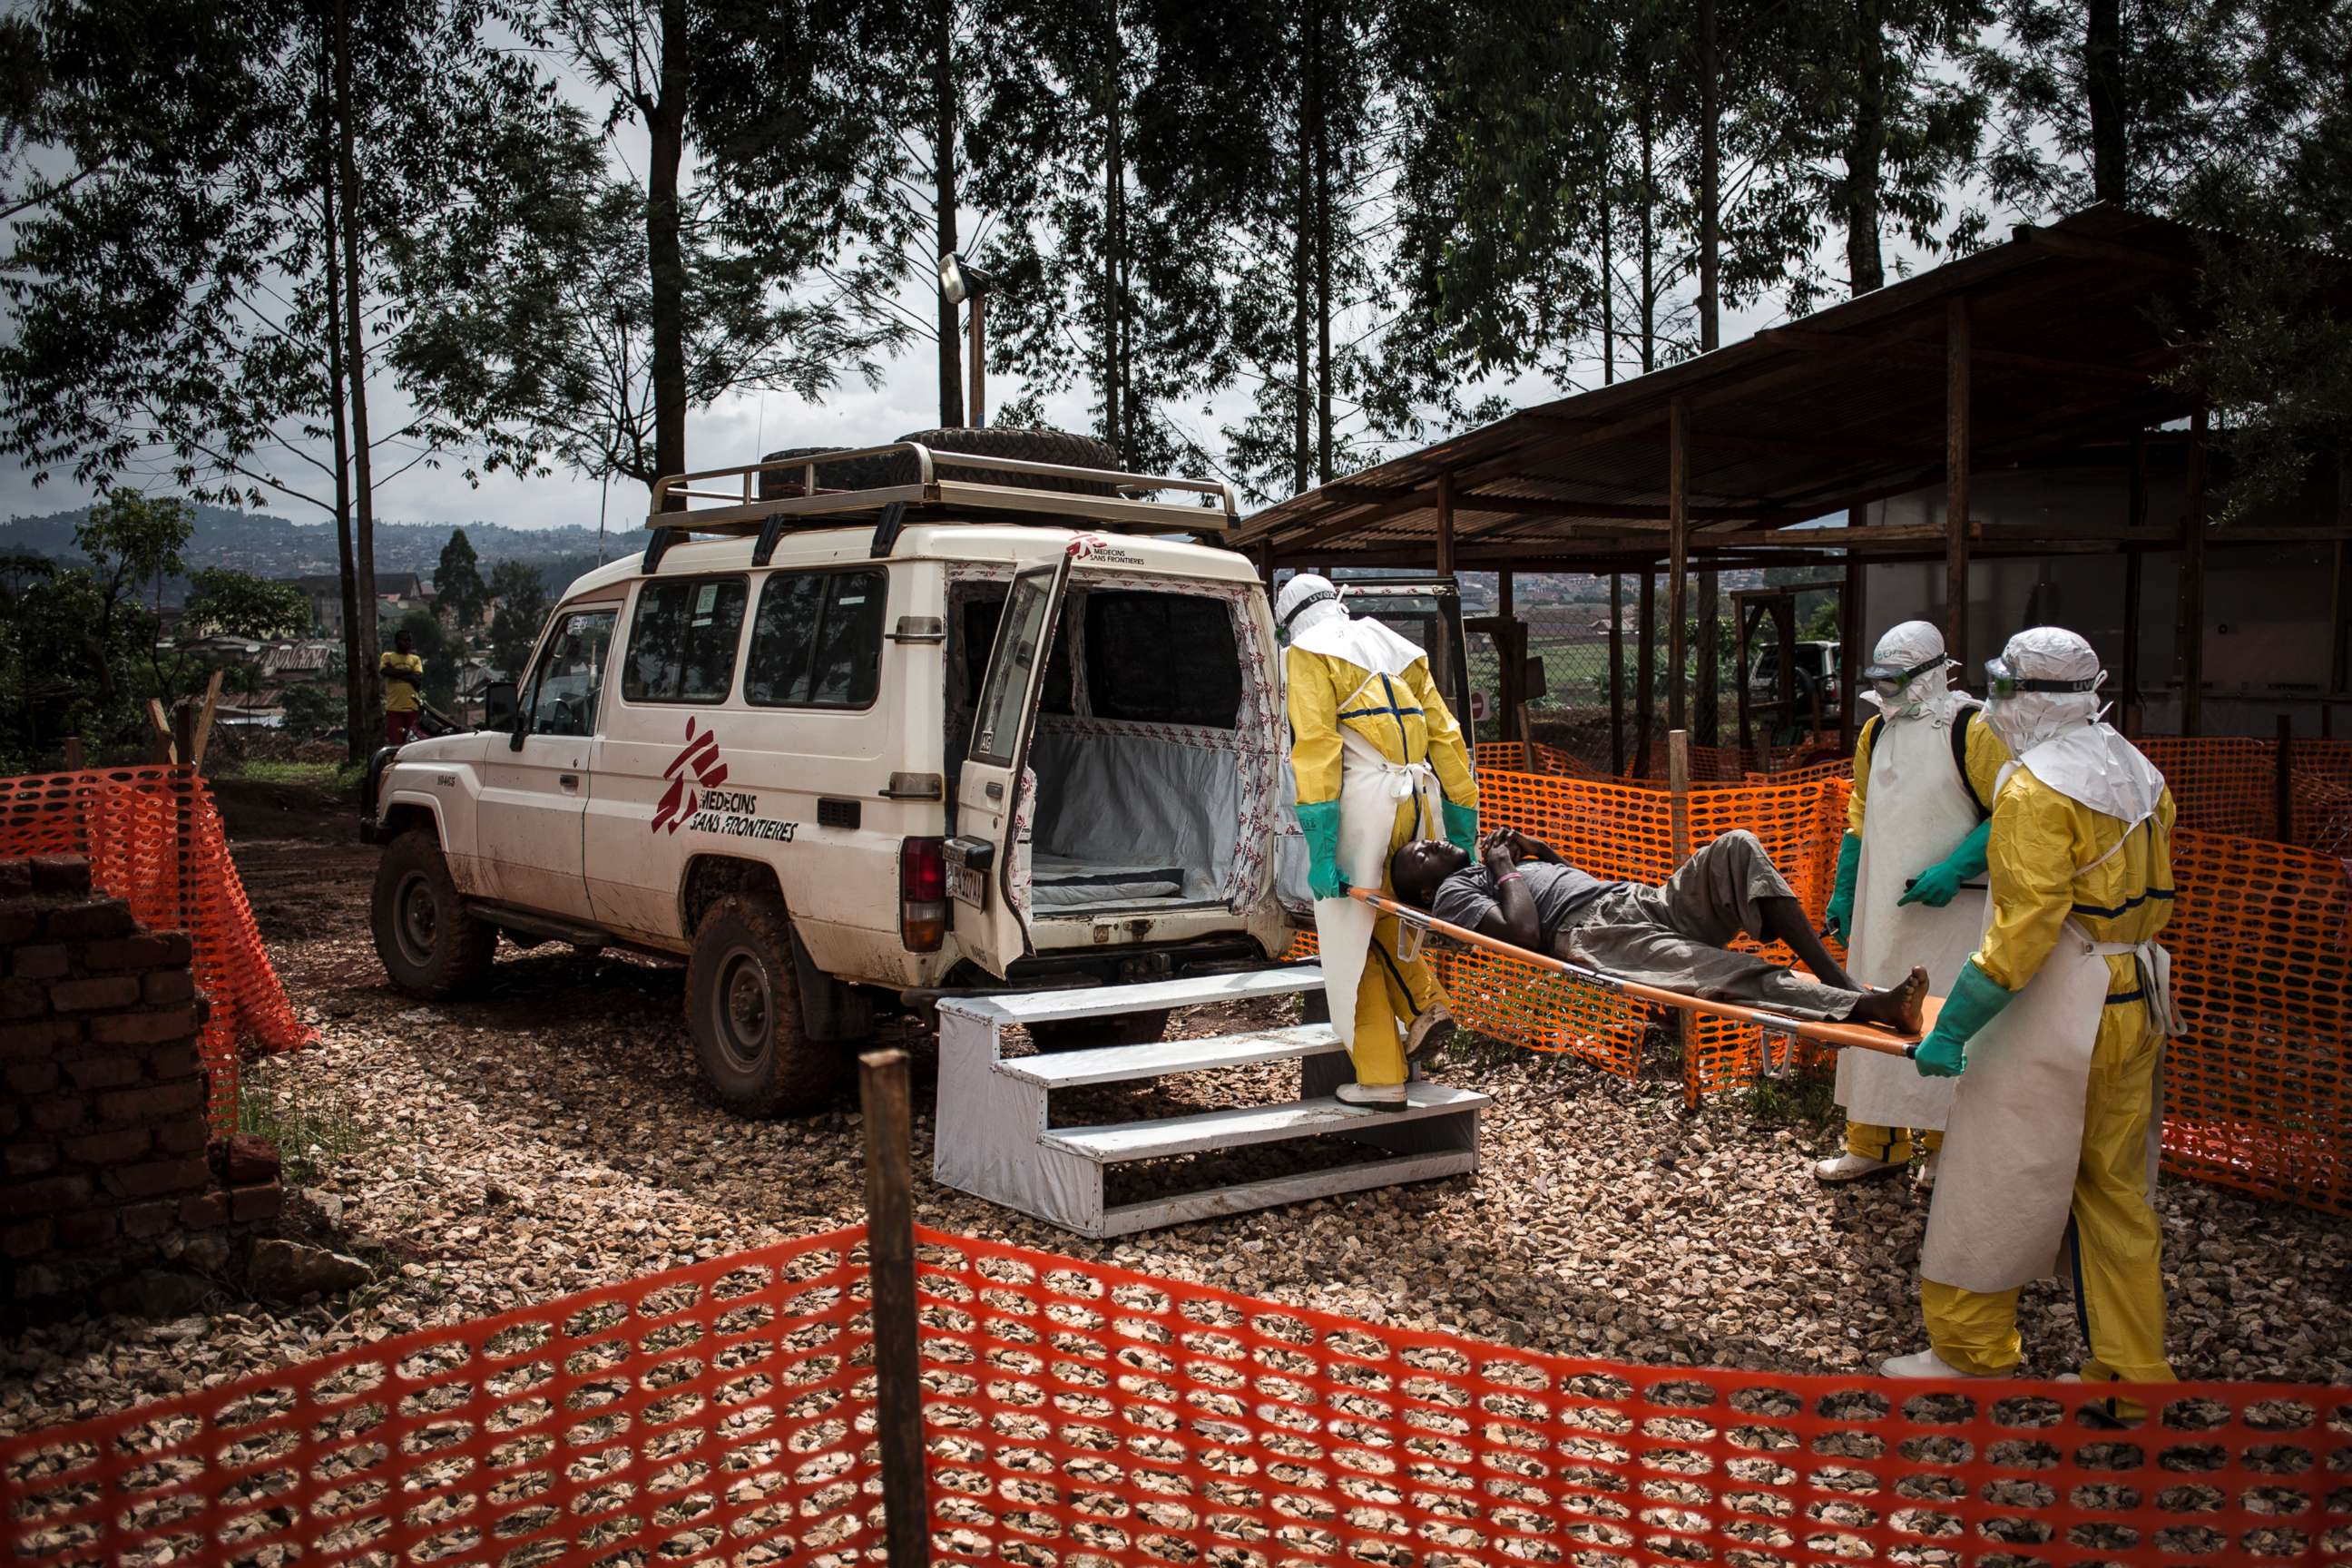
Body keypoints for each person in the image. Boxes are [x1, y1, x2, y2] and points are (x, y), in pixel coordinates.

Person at [1882, 627, 2179, 1400]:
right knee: (2115, 1192)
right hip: (2135, 998)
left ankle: (1972, 1351)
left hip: (2054, 1005)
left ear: (2030, 697)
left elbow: (2024, 935)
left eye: (2004, 688)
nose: (1994, 704)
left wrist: (1951, 1030)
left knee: (1993, 1174)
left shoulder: (2035, 788)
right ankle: (2133, 1374)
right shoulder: (2137, 771)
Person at [1389, 828, 1929, 1033]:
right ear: (1421, 890)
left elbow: (1563, 879)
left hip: (1636, 900)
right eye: (1418, 854)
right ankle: (1867, 1009)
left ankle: (1838, 978)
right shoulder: (1453, 894)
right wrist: (1504, 866)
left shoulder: (1484, 870)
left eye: (1425, 839)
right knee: (1732, 973)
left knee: (1736, 849)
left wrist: (1537, 853)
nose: (1429, 844)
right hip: (1600, 935)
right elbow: (1525, 934)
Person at [1817, 621, 2010, 1191]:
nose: (1888, 689)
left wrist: (1957, 867)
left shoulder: (1972, 728)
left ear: (1931, 673)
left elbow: (2012, 808)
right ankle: (1874, 1143)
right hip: (1884, 909)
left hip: (1953, 914)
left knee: (1949, 1021)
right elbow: (1860, 812)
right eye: (1881, 678)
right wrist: (1846, 888)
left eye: (1898, 678)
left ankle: (1946, 1151)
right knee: (1871, 1010)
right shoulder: (1875, 732)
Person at [1279, 573, 1477, 1108]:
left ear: (1290, 619)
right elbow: (1449, 740)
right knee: (1392, 916)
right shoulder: (1401, 647)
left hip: (1363, 809)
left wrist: (1321, 849)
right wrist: (1463, 835)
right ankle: (1424, 1004)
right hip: (1420, 803)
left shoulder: (1306, 651)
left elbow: (1317, 749)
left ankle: (1381, 1077)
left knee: (1349, 946)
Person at [381, 630, 426, 746]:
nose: (407, 643)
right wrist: (408, 672)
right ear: (396, 641)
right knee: (396, 744)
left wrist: (396, 672)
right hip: (394, 709)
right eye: (404, 640)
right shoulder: (387, 656)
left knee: (414, 744)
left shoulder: (415, 659)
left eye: (409, 640)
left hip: (413, 708)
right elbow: (385, 671)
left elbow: (417, 680)